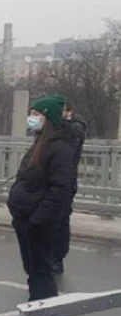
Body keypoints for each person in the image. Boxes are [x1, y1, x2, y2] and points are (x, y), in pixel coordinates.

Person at [6, 95, 77, 316]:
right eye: (32, 113)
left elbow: (60, 190)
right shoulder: (41, 143)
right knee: (34, 270)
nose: (32, 118)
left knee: (41, 271)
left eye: (37, 114)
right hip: (26, 217)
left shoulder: (59, 148)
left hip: (38, 221)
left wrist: (38, 219)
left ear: (49, 118)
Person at [51, 97, 87, 274]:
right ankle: (48, 256)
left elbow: (69, 146)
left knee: (60, 220)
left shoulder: (75, 128)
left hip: (65, 181)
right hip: (50, 179)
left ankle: (57, 258)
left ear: (68, 111)